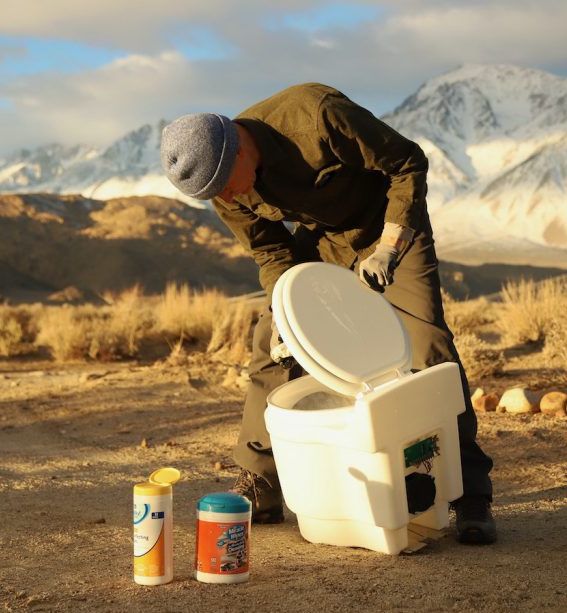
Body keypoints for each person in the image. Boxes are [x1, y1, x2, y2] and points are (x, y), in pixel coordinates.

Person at [160, 83, 496, 544]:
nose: (229, 199)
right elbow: (272, 251)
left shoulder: (317, 116)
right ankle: (262, 482)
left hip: (389, 222)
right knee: (271, 346)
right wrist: (284, 313)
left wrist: (391, 245)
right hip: (322, 241)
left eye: (228, 186)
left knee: (427, 348)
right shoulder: (222, 188)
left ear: (238, 148)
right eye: (217, 195)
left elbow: (408, 163)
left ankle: (469, 493)